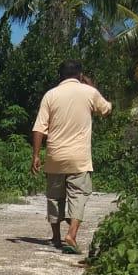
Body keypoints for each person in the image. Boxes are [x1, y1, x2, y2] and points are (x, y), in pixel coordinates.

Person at [30, 59, 113, 254]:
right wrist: (91, 86)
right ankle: (72, 235)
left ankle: (57, 237)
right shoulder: (89, 92)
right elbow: (106, 110)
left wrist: (35, 155)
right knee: (78, 196)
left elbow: (39, 127)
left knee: (54, 197)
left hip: (55, 156)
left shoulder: (50, 95)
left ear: (61, 76)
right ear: (80, 75)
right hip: (79, 158)